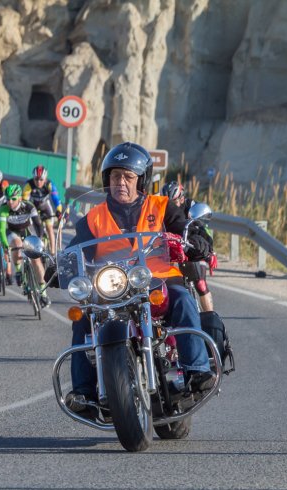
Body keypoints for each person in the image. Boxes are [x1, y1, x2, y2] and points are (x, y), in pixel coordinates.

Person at [63, 142, 214, 416]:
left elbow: (185, 229)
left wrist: (198, 240)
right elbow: (75, 249)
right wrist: (58, 265)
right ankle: (83, 392)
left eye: (128, 177)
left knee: (183, 299)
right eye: (115, 176)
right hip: (112, 287)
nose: (120, 182)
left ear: (141, 180)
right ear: (106, 179)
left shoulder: (162, 206)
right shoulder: (93, 218)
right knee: (82, 317)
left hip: (159, 280)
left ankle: (197, 369)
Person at [162, 179, 216, 311]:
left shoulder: (192, 207)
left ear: (181, 198)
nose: (171, 206)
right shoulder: (160, 208)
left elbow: (204, 231)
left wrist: (209, 251)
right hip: (168, 250)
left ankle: (211, 320)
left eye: (173, 202)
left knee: (201, 283)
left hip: (190, 247)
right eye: (167, 202)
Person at [0, 184, 49, 307]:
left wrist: (39, 241)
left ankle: (44, 293)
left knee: (36, 260)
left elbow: (38, 224)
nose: (10, 201)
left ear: (20, 198)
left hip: (26, 230)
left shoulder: (29, 206)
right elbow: (2, 230)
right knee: (17, 244)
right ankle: (19, 271)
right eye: (7, 198)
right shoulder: (3, 209)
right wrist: (4, 244)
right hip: (12, 232)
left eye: (13, 199)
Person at [24, 165, 62, 253]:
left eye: (41, 179)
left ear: (45, 179)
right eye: (36, 179)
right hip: (34, 208)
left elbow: (56, 200)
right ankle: (38, 248)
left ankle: (53, 253)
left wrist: (59, 211)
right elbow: (25, 201)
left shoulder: (49, 184)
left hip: (46, 207)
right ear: (33, 178)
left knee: (49, 228)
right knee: (37, 231)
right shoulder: (29, 184)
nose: (38, 182)